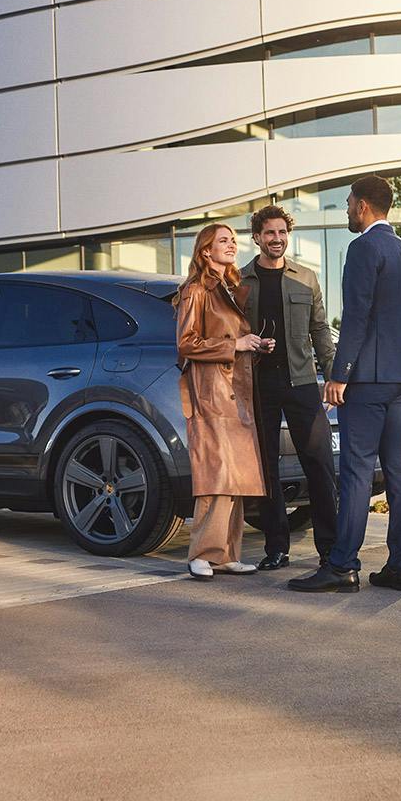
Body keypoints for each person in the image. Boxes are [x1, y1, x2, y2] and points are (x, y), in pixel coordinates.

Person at [287, 175, 401, 594]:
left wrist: (339, 374)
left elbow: (357, 315)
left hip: (367, 380)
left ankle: (343, 565)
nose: (347, 210)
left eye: (348, 203)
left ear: (363, 206)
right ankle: (400, 566)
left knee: (356, 471)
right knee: (400, 470)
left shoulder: (363, 248)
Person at [235, 204, 338, 571]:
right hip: (259, 384)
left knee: (319, 463)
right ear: (257, 237)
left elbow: (320, 330)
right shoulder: (240, 281)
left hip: (302, 382)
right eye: (269, 233)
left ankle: (330, 549)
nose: (276, 238)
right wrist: (250, 344)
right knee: (267, 468)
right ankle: (276, 548)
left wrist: (333, 375)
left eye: (281, 232)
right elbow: (230, 331)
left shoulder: (306, 278)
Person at [175, 224, 269, 580]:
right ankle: (201, 553)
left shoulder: (229, 287)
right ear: (206, 251)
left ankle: (227, 554)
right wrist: (235, 345)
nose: (231, 245)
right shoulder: (196, 290)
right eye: (223, 241)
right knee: (215, 473)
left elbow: (233, 339)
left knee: (236, 476)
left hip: (236, 389)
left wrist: (253, 344)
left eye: (233, 240)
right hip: (211, 391)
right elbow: (186, 343)